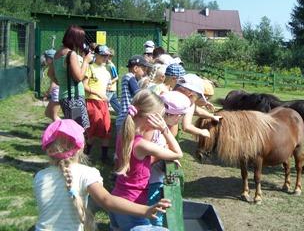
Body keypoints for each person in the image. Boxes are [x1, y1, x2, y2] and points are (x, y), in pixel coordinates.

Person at [34, 119, 171, 231]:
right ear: (81, 147)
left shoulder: (39, 176)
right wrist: (145, 210)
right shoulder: (87, 174)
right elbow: (107, 200)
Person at [110, 90, 183, 230]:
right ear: (151, 118)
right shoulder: (142, 145)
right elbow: (178, 153)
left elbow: (137, 164)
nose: (162, 120)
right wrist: (164, 129)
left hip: (117, 201)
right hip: (132, 207)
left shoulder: (123, 135)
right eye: (160, 117)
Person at [147, 90, 191, 227]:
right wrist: (165, 156)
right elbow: (144, 161)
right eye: (182, 115)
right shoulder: (151, 130)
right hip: (149, 183)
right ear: (174, 115)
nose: (181, 119)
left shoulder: (158, 128)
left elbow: (164, 147)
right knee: (154, 215)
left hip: (154, 179)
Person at [48, 25, 93, 129]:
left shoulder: (57, 53)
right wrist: (86, 61)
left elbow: (50, 74)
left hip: (64, 97)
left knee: (74, 128)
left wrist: (62, 82)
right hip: (74, 98)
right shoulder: (71, 54)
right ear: (76, 39)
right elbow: (79, 77)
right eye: (81, 39)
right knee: (80, 130)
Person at [83, 45, 112, 163]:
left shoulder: (106, 72)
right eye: (103, 55)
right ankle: (86, 154)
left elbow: (108, 87)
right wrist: (98, 93)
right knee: (94, 129)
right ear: (97, 55)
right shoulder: (90, 68)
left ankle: (104, 157)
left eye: (107, 56)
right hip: (92, 101)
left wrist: (105, 94)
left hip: (103, 103)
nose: (105, 58)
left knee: (106, 128)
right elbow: (84, 86)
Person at [173, 74, 221, 138]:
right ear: (191, 95)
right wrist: (202, 132)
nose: (195, 102)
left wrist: (212, 116)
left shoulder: (168, 94)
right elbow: (186, 127)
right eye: (197, 98)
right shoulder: (187, 103)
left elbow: (196, 110)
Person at [116, 55, 150, 135]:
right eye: (143, 69)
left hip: (124, 118)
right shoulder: (130, 77)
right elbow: (138, 94)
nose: (144, 73)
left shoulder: (129, 78)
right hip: (126, 117)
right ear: (135, 68)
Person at [43, 49, 61, 121]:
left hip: (57, 94)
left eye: (46, 57)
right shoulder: (52, 67)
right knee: (47, 113)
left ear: (51, 59)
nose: (44, 59)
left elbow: (53, 84)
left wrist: (47, 94)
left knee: (54, 116)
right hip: (55, 94)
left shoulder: (55, 68)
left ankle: (64, 129)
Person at [106, 49, 120, 114]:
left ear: (110, 57)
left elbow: (116, 77)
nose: (105, 57)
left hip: (110, 89)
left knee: (105, 103)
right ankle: (123, 115)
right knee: (115, 104)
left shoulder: (111, 66)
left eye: (107, 56)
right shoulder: (106, 64)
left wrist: (110, 82)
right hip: (108, 88)